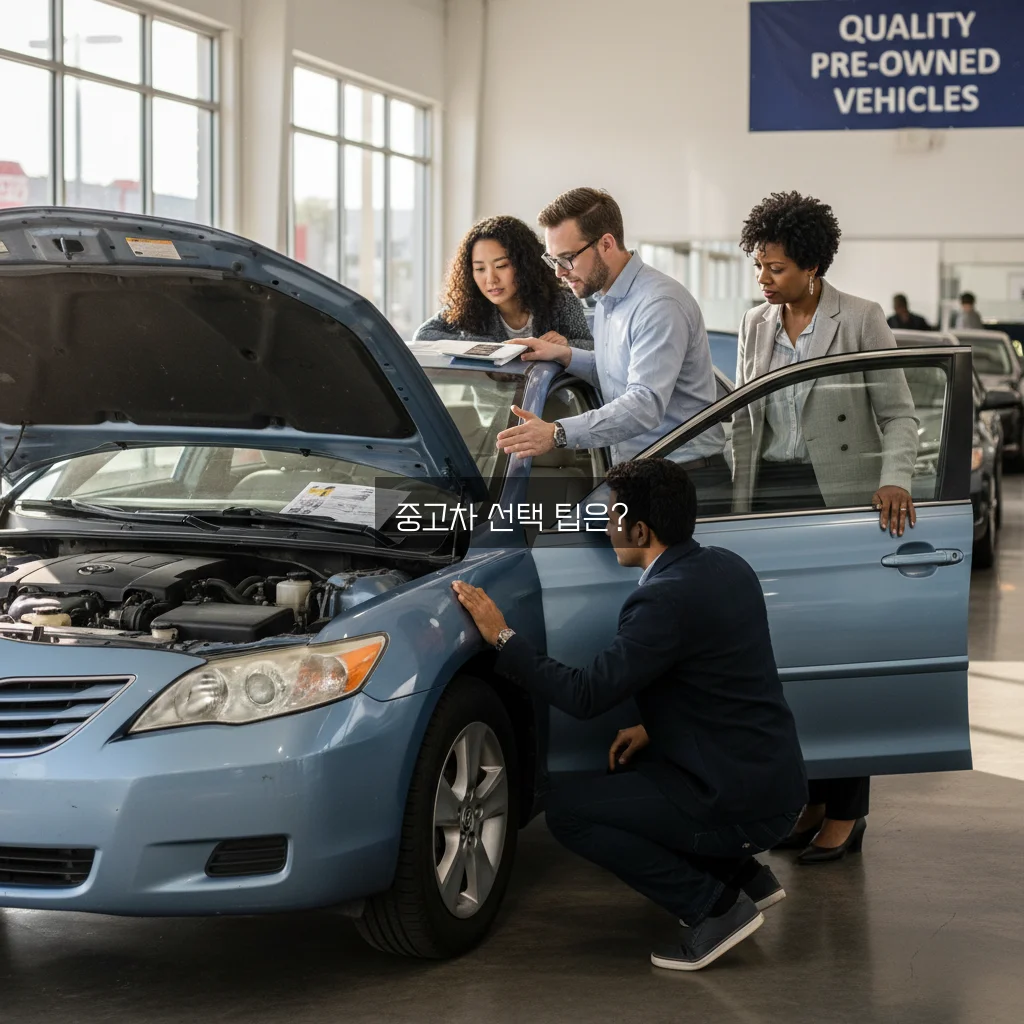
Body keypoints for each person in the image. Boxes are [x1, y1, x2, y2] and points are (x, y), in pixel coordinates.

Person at [452, 458, 807, 971]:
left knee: (571, 813)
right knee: (638, 770)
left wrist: (502, 636)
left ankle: (714, 908)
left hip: (738, 798)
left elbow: (584, 695)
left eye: (611, 516)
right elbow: (722, 680)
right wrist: (652, 725)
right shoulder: (727, 565)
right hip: (775, 780)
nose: (604, 526)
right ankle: (745, 875)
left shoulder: (661, 601)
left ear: (641, 529)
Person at [733, 190, 920, 864]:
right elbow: (746, 419)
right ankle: (809, 799)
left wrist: (894, 477)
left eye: (775, 268)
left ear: (812, 267)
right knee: (787, 667)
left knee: (839, 659)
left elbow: (899, 415)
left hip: (839, 501)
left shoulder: (861, 319)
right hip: (772, 499)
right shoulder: (757, 323)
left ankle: (847, 811)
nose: (763, 279)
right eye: (759, 266)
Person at [493, 188, 726, 486]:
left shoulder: (658, 304)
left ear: (606, 243)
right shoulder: (607, 298)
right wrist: (564, 355)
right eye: (553, 260)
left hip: (686, 477)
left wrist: (556, 433)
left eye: (567, 259)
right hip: (644, 473)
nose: (559, 273)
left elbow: (644, 405)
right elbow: (617, 373)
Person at [414, 215, 592, 349]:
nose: (491, 279)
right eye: (480, 269)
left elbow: (594, 350)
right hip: (490, 400)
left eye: (501, 266)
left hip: (548, 398)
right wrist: (491, 348)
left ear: (524, 265)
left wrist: (566, 346)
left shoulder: (562, 303)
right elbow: (423, 336)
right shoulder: (467, 308)